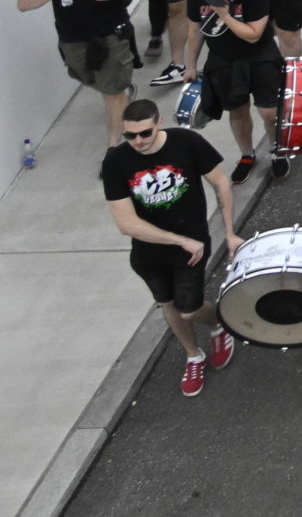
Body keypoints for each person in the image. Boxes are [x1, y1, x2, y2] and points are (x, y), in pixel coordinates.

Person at [101, 97, 241, 397]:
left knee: (188, 309)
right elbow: (126, 224)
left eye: (145, 133)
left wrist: (229, 233)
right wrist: (178, 240)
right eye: (130, 135)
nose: (137, 141)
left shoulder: (186, 141)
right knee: (167, 304)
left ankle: (220, 324)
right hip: (151, 251)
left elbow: (220, 183)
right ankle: (193, 355)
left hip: (193, 246)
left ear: (158, 123)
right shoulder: (115, 162)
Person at [16, 0, 142, 145]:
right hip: (72, 38)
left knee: (112, 91)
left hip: (112, 32)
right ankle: (120, 90)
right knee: (84, 76)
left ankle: (114, 147)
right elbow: (24, 3)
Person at [194, 0, 283, 181]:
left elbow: (253, 35)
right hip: (223, 60)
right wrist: (189, 65)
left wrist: (224, 15)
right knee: (237, 111)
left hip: (260, 57)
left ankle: (277, 150)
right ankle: (247, 154)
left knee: (269, 112)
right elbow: (195, 30)